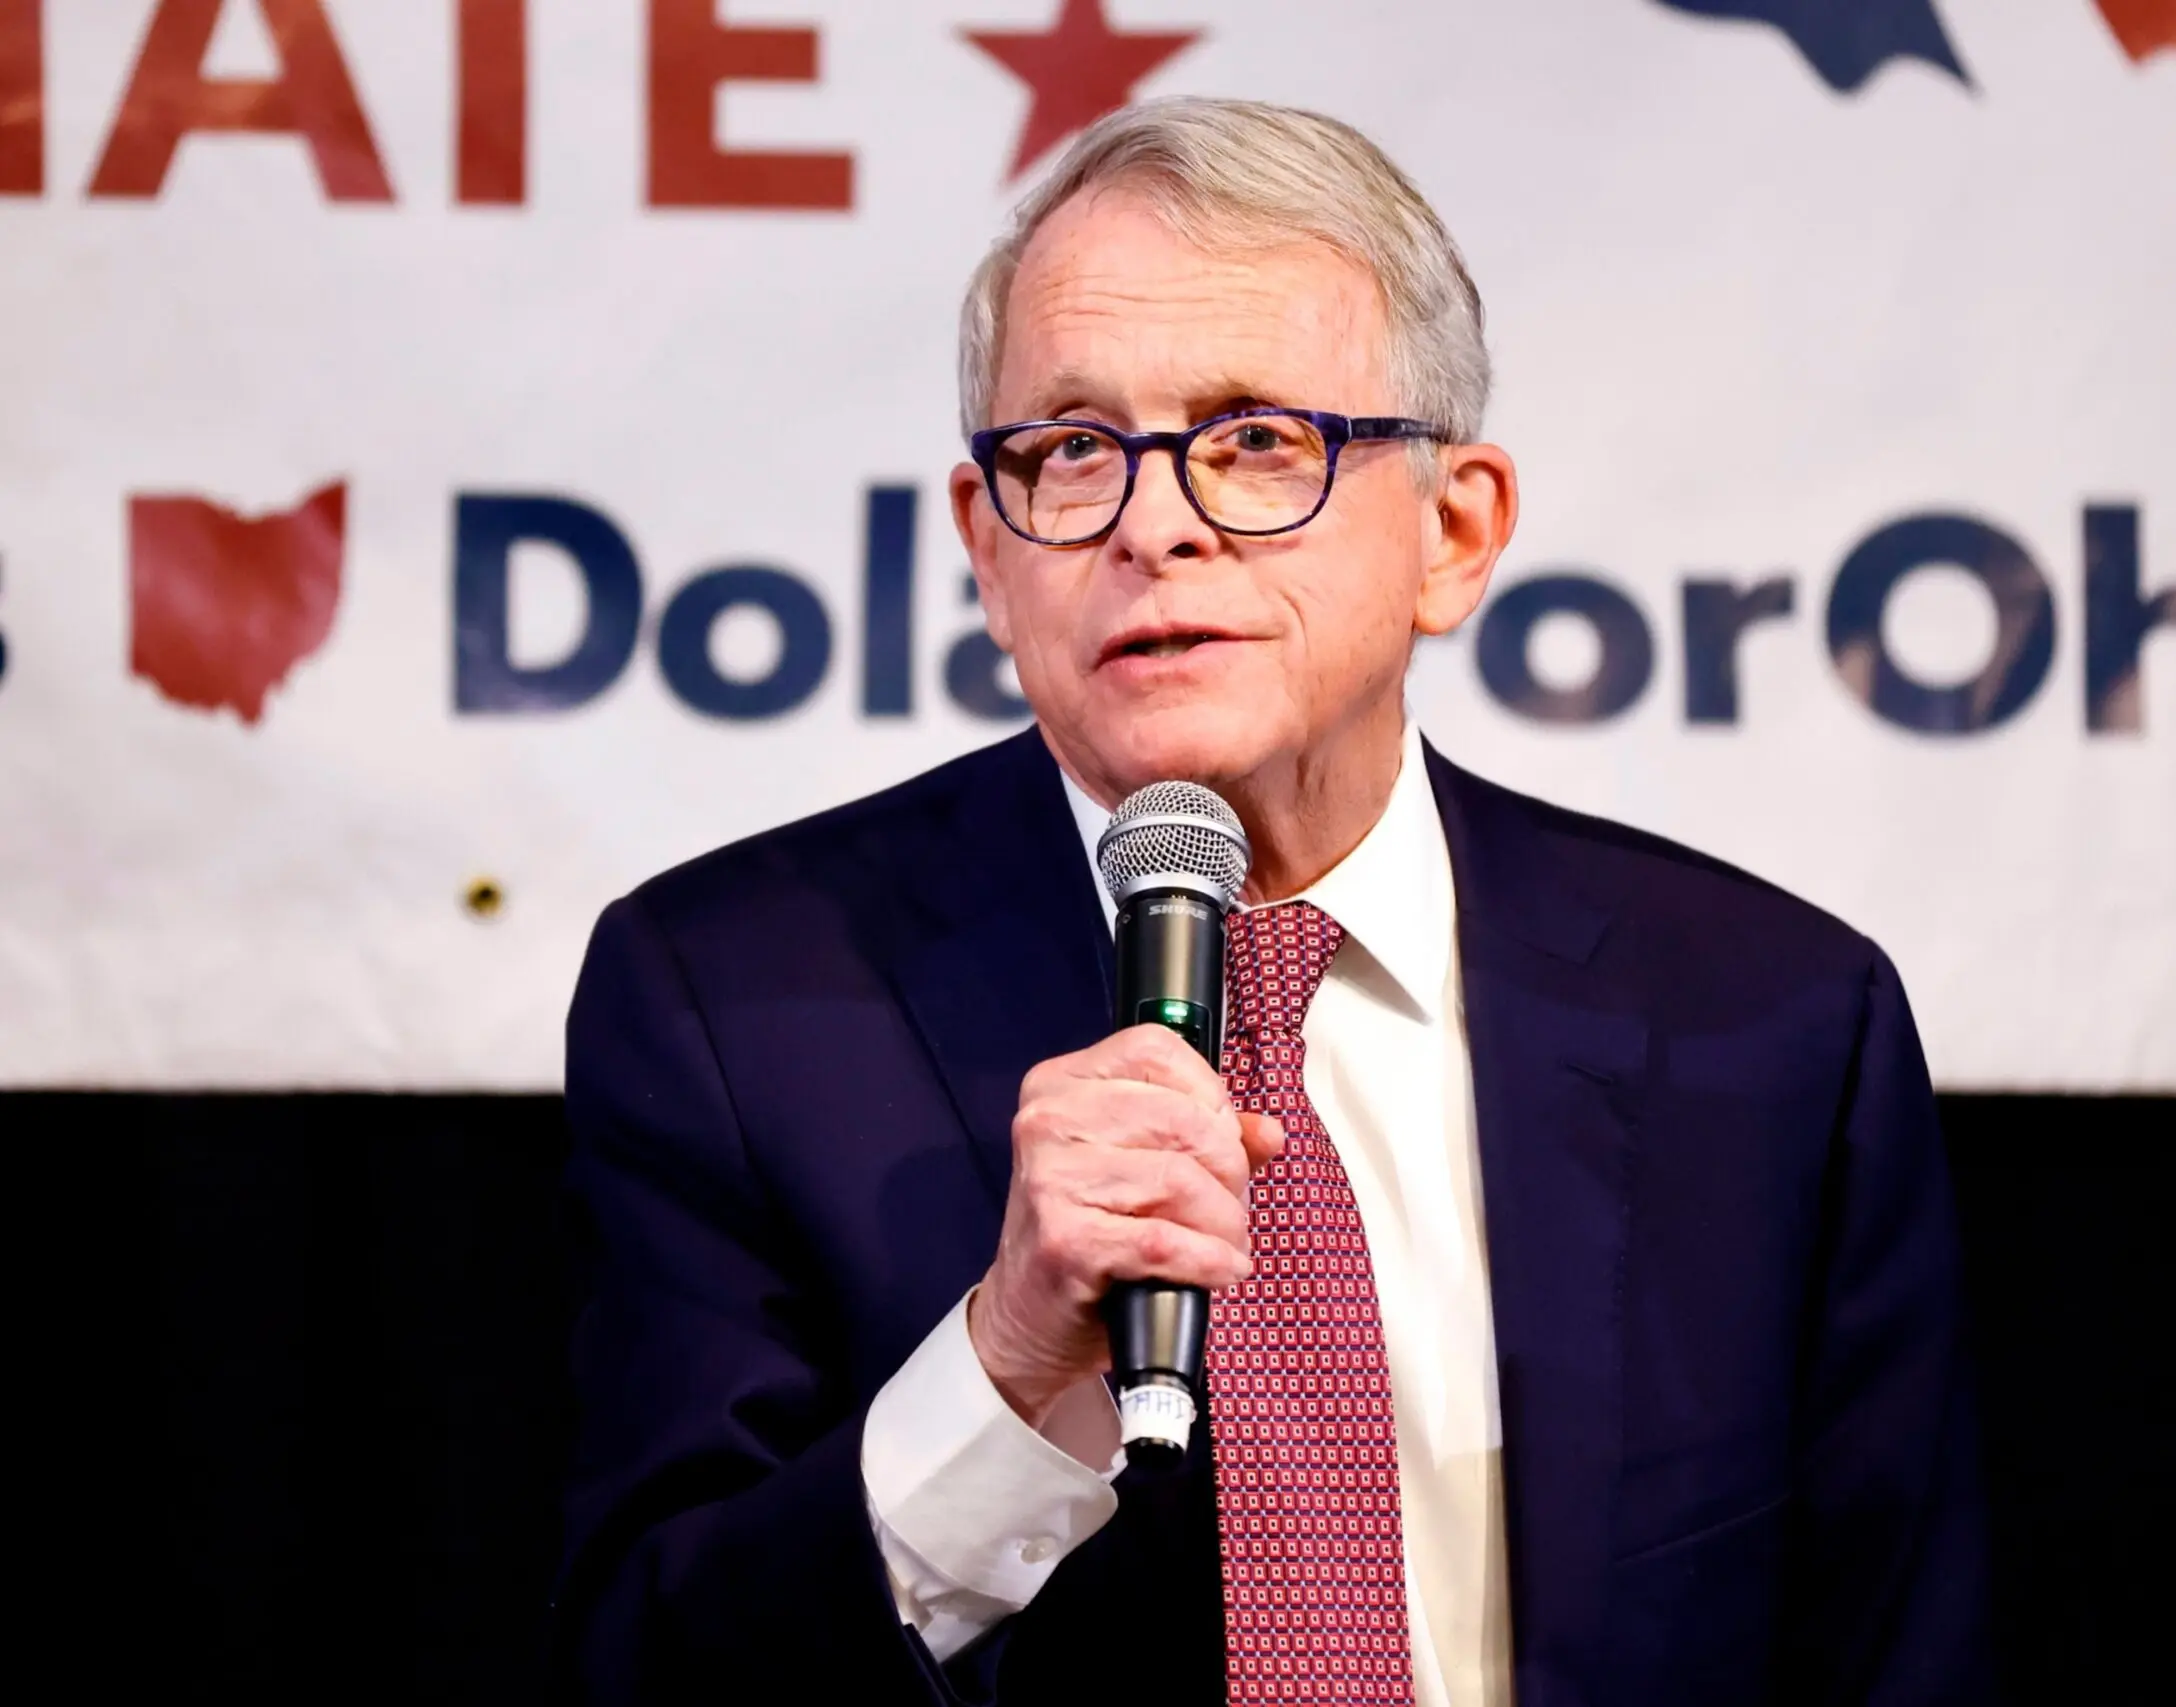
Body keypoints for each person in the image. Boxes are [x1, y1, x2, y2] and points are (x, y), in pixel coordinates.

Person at [557, 97, 1989, 1706]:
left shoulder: (1768, 1020)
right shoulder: (732, 1006)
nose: (1153, 524)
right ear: (986, 546)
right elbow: (651, 1672)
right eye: (1071, 451)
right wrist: (1006, 1368)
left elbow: (1896, 1658)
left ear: (1455, 531)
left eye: (1253, 441)